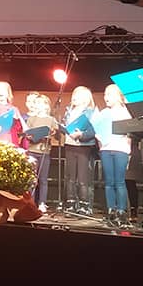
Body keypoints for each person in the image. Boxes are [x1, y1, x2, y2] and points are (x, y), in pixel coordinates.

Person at [94, 84, 133, 228]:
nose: (106, 97)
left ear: (118, 96)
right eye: (105, 94)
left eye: (110, 94)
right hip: (106, 149)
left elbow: (130, 133)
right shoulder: (103, 113)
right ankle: (111, 209)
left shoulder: (126, 112)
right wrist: (101, 141)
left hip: (120, 149)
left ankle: (122, 211)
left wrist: (128, 151)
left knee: (119, 181)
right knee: (109, 182)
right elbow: (97, 130)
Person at [61, 85, 98, 215]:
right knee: (70, 177)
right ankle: (70, 203)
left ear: (86, 98)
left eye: (78, 95)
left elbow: (94, 130)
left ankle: (84, 204)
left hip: (84, 146)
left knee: (83, 178)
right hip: (70, 144)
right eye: (74, 94)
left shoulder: (91, 112)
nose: (75, 97)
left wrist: (81, 135)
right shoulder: (69, 111)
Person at [25, 94, 58, 213]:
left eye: (39, 103)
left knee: (43, 179)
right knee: (32, 179)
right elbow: (27, 133)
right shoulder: (31, 119)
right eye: (36, 103)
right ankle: (31, 202)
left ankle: (42, 203)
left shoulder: (51, 120)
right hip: (32, 151)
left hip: (44, 152)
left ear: (46, 105)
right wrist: (29, 136)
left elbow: (55, 134)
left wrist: (52, 133)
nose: (37, 105)